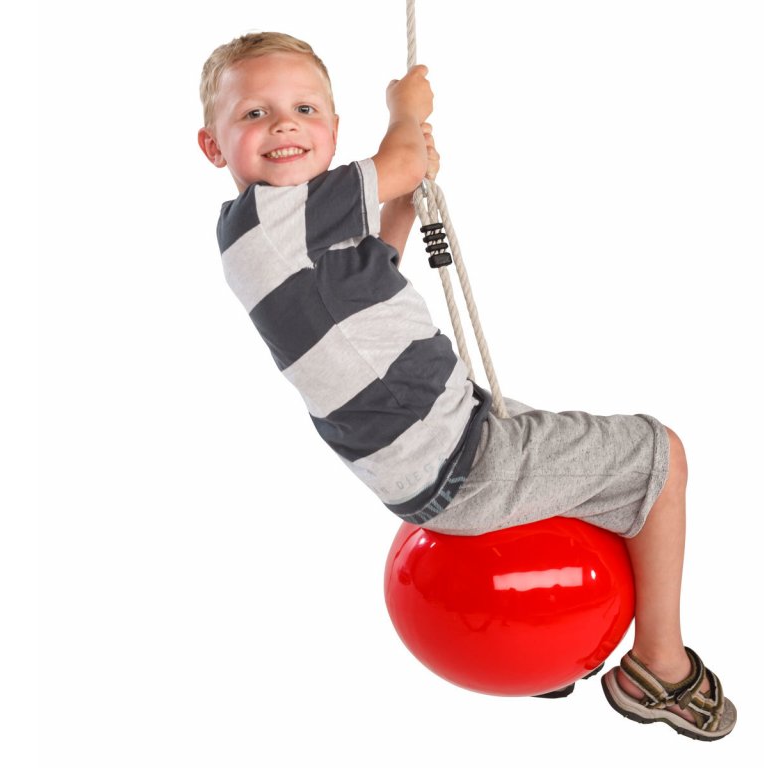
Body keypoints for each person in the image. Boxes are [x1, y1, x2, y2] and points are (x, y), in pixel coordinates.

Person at [197, 31, 736, 741]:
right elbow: (400, 158)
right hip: (461, 463)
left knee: (590, 460)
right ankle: (658, 668)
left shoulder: (281, 234)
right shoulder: (276, 217)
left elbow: (370, 275)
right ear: (212, 147)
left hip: (437, 451)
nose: (283, 125)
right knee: (659, 457)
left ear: (331, 126)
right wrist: (405, 112)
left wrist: (400, 201)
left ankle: (547, 638)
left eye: (304, 108)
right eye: (254, 114)